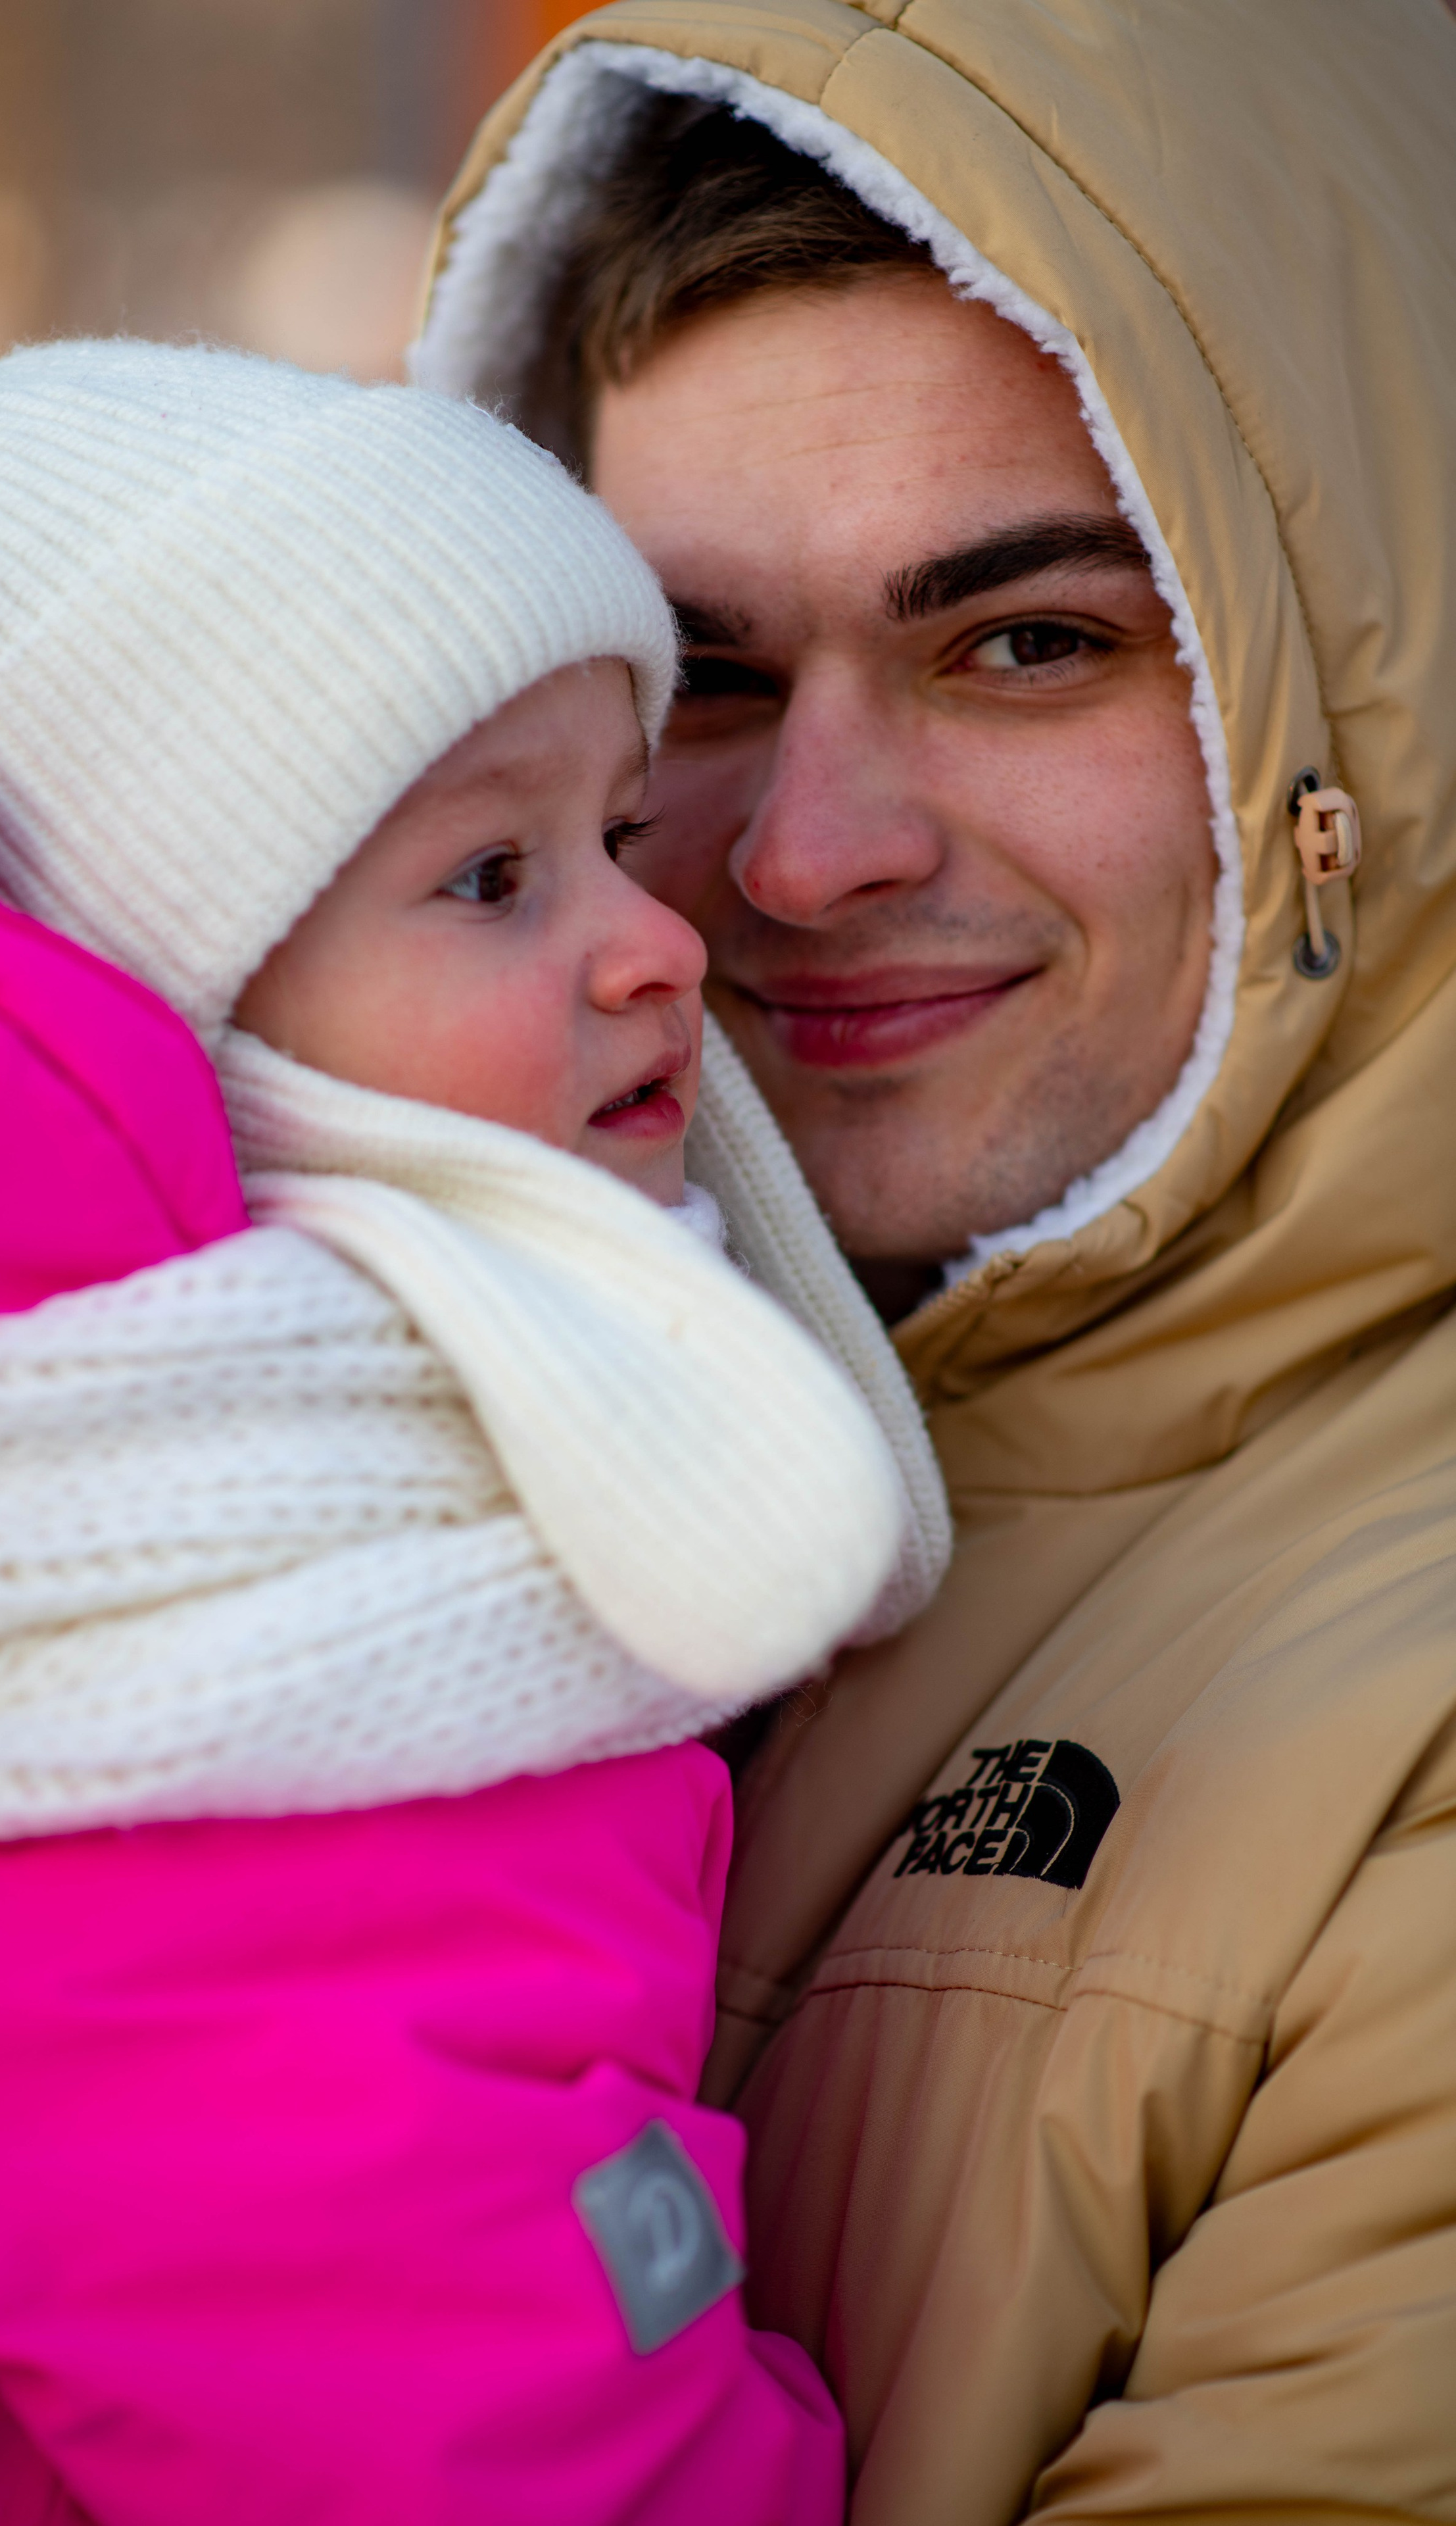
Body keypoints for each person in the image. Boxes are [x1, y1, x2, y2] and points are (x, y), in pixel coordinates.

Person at [413, 4, 1456, 2520]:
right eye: (700, 679)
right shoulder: (351, 1422)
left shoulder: (1408, 1730)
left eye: (1027, 644)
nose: (804, 856)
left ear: (1352, 725)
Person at [0, 334, 952, 2522]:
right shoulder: (196, 1729)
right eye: (492, 877)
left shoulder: (234, 1548)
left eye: (618, 833)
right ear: (155, 1000)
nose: (661, 942)